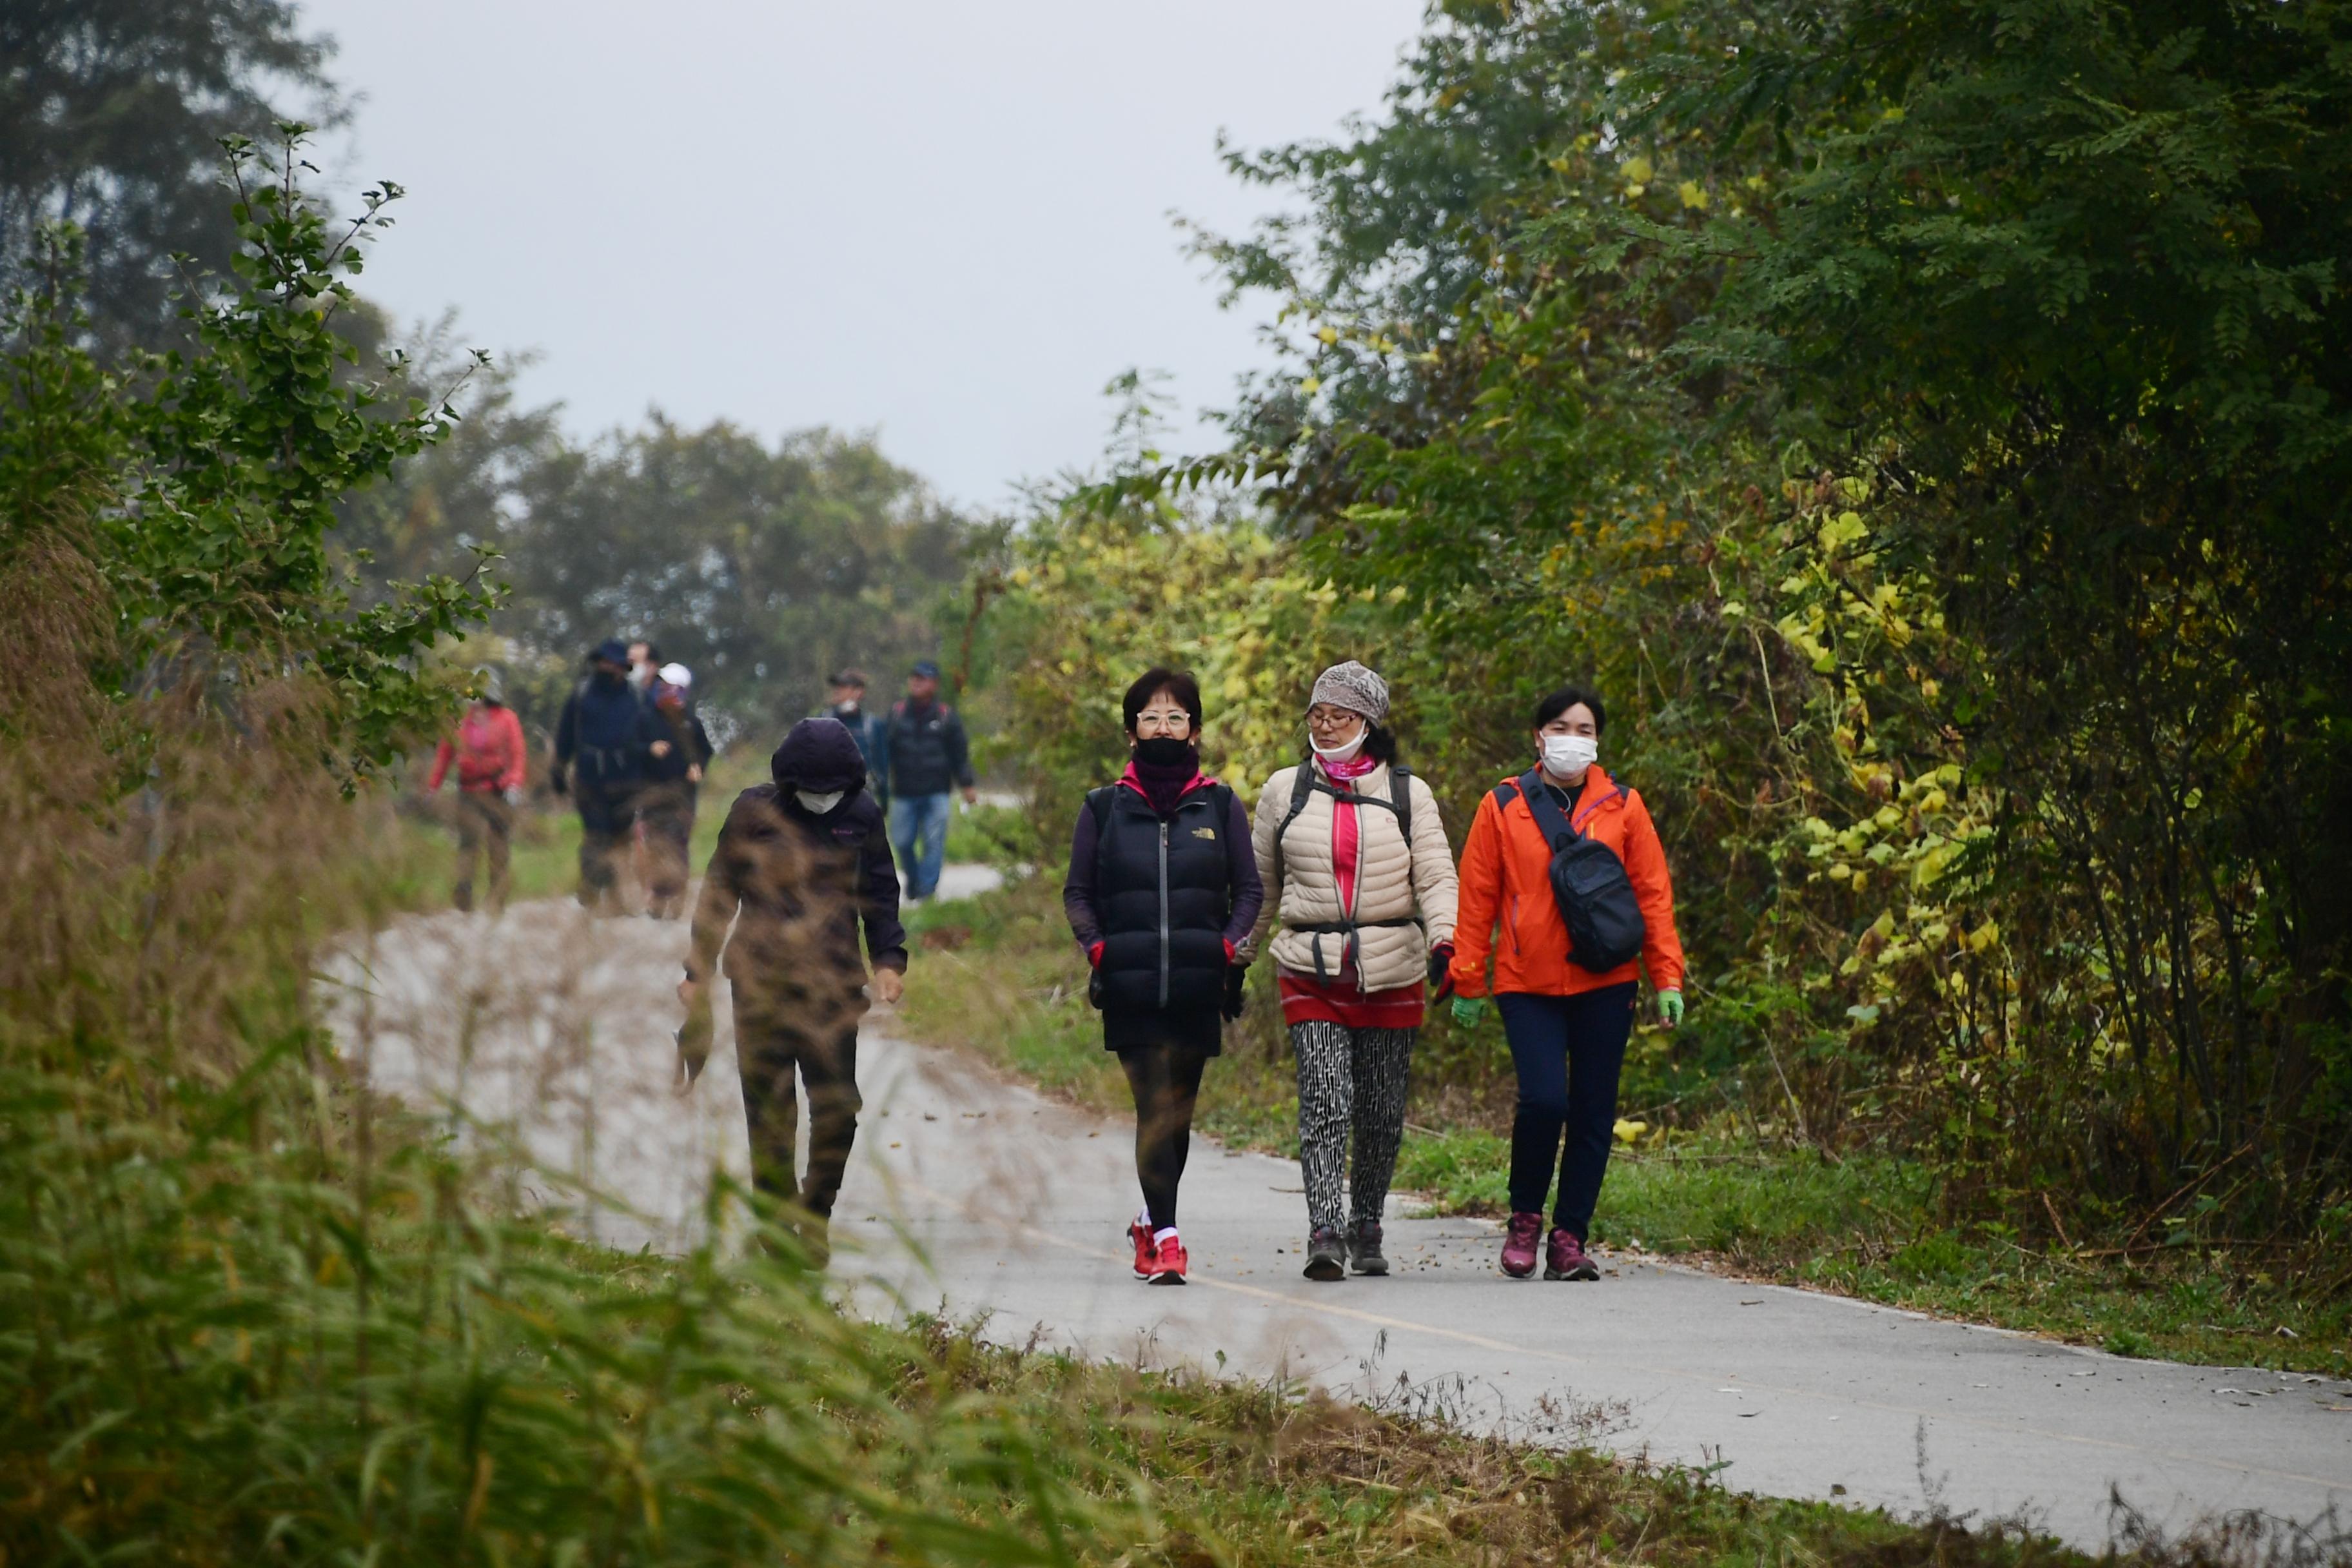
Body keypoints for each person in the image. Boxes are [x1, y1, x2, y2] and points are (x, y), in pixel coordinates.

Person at [1447, 685, 1686, 1282]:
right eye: (1560, 727)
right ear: (1538, 736)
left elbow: (1653, 897)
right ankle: (1525, 1217)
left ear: (1598, 739)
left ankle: (1569, 1237)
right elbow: (1476, 898)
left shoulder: (1624, 806)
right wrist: (1467, 978)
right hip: (1525, 981)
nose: (1571, 739)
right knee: (1544, 1099)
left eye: (1583, 729)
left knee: (1593, 1110)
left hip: (1606, 979)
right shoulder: (1502, 804)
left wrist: (1668, 977)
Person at [1248, 662, 1457, 1282]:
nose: (1327, 724)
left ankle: (1367, 1222)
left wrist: (1445, 942)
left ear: (1368, 723)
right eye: (1318, 713)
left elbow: (1438, 876)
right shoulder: (1285, 790)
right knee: (1326, 1098)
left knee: (1381, 1109)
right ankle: (1324, 1230)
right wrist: (1234, 959)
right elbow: (1259, 886)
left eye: (1340, 715)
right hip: (1310, 969)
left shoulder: (1406, 792)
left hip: (1393, 968)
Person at [1063, 667, 1262, 1285]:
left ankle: (1151, 1221)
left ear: (1195, 731)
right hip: (1130, 986)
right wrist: (1101, 952)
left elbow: (1249, 890)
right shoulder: (1104, 807)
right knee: (1155, 1108)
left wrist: (1227, 948)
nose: (1164, 727)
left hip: (1200, 985)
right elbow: (1078, 894)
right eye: (1151, 717)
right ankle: (1170, 1242)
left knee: (1180, 1114)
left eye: (1176, 717)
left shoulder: (1220, 804)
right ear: (1131, 732)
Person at [681, 716, 906, 1262]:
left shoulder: (861, 815)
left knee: (837, 1109)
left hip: (832, 988)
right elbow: (718, 893)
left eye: (833, 792)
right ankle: (777, 1227)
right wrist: (697, 972)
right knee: (770, 1112)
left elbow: (880, 891)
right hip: (758, 985)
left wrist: (888, 960)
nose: (822, 800)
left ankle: (814, 1213)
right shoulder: (752, 814)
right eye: (812, 791)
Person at [553, 638, 660, 912]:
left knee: (620, 840)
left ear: (623, 666)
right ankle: (590, 894)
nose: (607, 667)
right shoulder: (581, 695)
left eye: (613, 663)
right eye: (603, 662)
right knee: (596, 836)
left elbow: (654, 735)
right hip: (590, 781)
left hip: (629, 782)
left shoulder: (638, 697)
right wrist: (558, 768)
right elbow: (565, 736)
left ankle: (615, 900)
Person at [426, 668, 527, 914]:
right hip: (469, 790)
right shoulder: (459, 719)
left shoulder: (506, 719)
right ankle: (463, 898)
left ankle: (497, 898)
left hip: (497, 791)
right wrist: (434, 786)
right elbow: (445, 754)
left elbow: (517, 754)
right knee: (468, 843)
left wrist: (515, 782)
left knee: (498, 845)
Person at [883, 658, 976, 902]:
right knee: (902, 842)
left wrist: (967, 785)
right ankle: (913, 882)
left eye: (922, 679)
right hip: (904, 792)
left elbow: (960, 754)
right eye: (914, 678)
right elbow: (884, 752)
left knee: (934, 843)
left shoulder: (947, 716)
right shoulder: (896, 714)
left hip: (937, 792)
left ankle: (926, 892)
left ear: (934, 684)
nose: (916, 683)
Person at [637, 661, 714, 920]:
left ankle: (678, 895)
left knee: (678, 844)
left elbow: (706, 751)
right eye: (662, 685)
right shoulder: (647, 718)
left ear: (681, 691)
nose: (663, 690)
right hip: (653, 795)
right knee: (657, 845)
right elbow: (630, 747)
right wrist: (649, 749)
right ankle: (658, 897)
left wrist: (698, 767)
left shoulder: (691, 722)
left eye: (669, 686)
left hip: (683, 796)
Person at [818, 668, 888, 809]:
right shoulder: (822, 720)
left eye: (844, 687)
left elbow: (882, 765)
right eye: (837, 686)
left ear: (859, 692)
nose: (837, 690)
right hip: (828, 799)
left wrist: (884, 799)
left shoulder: (872, 725)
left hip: (862, 799)